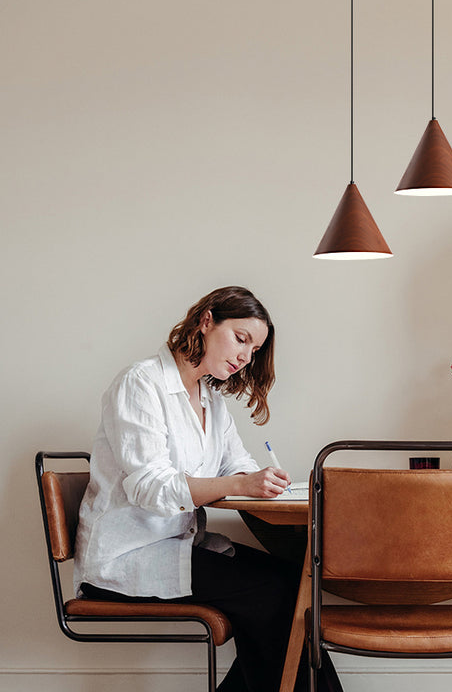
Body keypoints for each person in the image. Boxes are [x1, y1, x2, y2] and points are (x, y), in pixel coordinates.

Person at [74, 286, 342, 692]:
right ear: (206, 321)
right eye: (241, 338)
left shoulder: (210, 400)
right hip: (126, 557)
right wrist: (241, 484)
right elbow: (151, 487)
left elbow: (237, 464)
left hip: (177, 545)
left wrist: (265, 482)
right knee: (273, 595)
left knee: (292, 581)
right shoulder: (140, 383)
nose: (245, 357)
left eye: (254, 349)